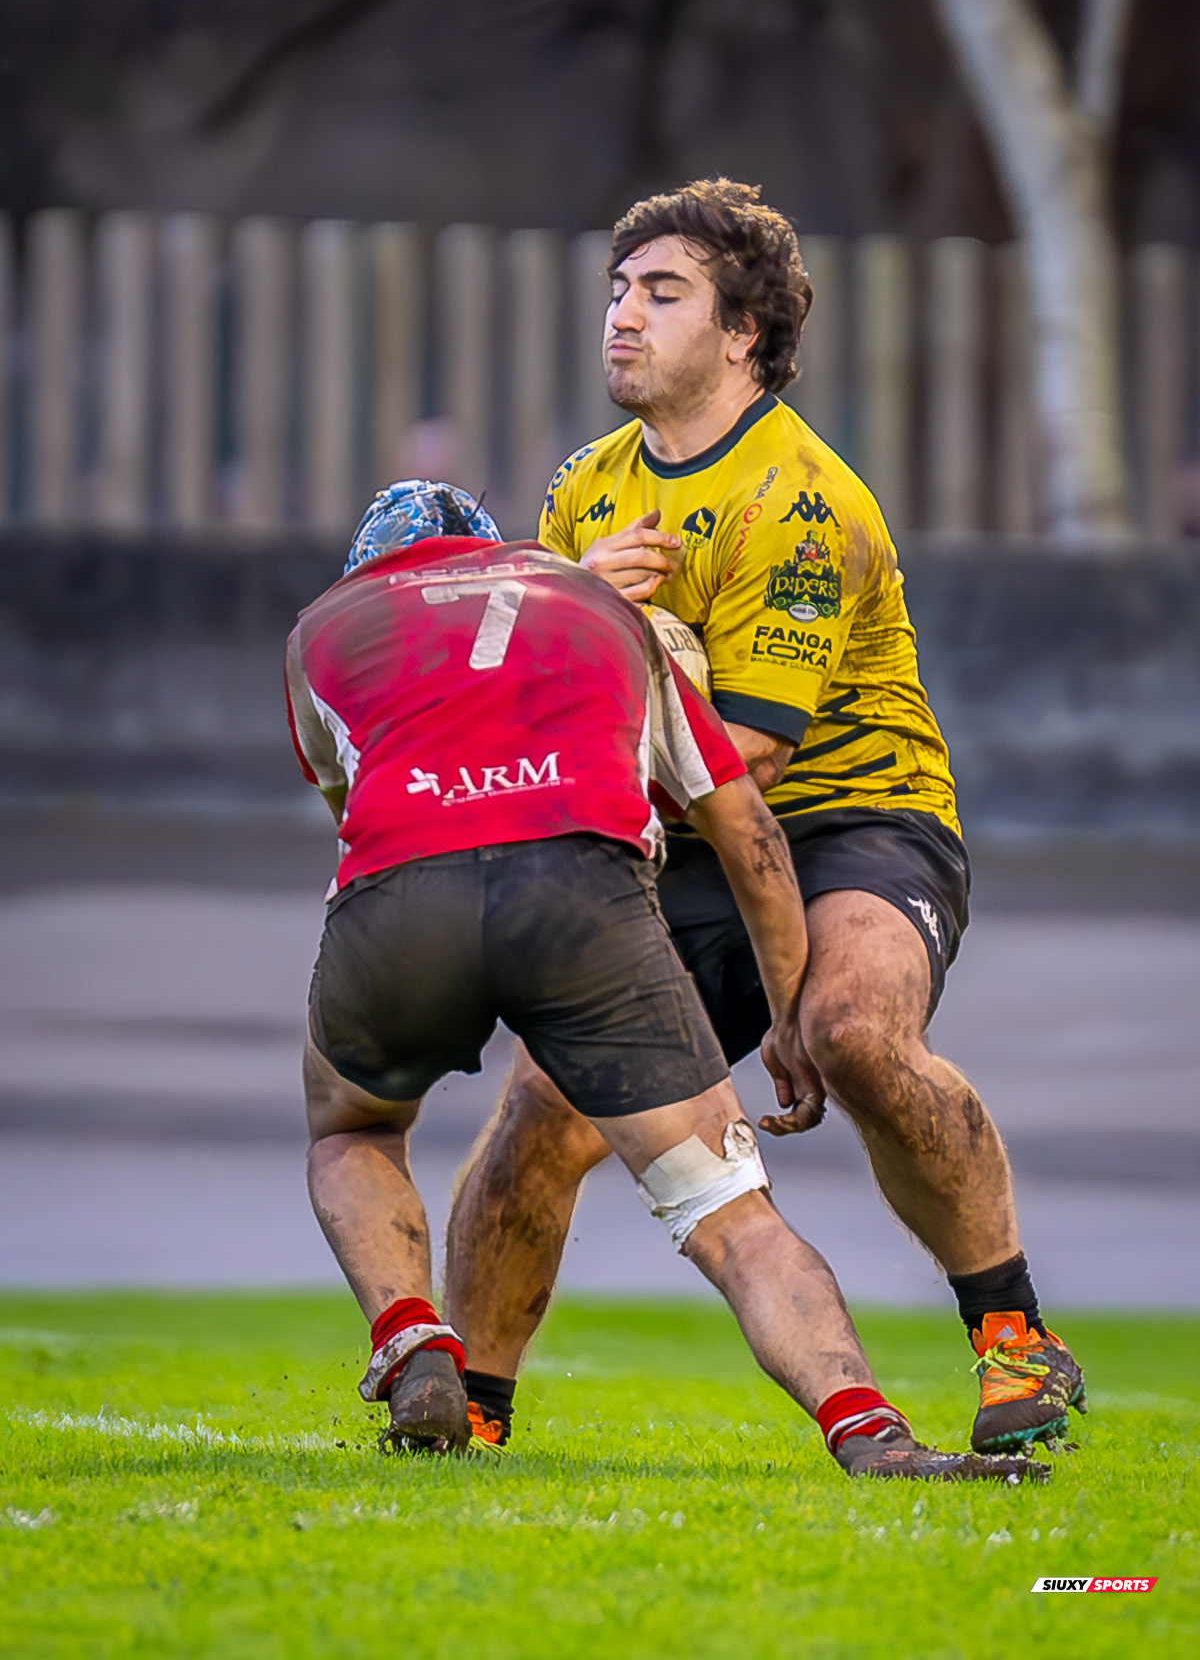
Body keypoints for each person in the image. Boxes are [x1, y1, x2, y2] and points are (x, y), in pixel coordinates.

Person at [444, 179, 1086, 1460]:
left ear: (742, 334)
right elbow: (492, 695)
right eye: (618, 291)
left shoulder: (798, 503)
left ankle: (1015, 1339)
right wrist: (564, 593)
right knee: (542, 1110)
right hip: (673, 836)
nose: (622, 317)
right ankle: (465, 1407)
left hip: (856, 818)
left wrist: (787, 978)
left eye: (661, 293)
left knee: (848, 1029)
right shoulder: (587, 489)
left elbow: (748, 761)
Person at [285, 477, 1043, 1482]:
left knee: (355, 1131)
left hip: (402, 893)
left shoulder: (321, 627)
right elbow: (749, 834)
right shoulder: (606, 615)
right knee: (729, 1211)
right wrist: (784, 1015)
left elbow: (349, 786)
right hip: (584, 900)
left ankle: (418, 1337)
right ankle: (870, 1429)